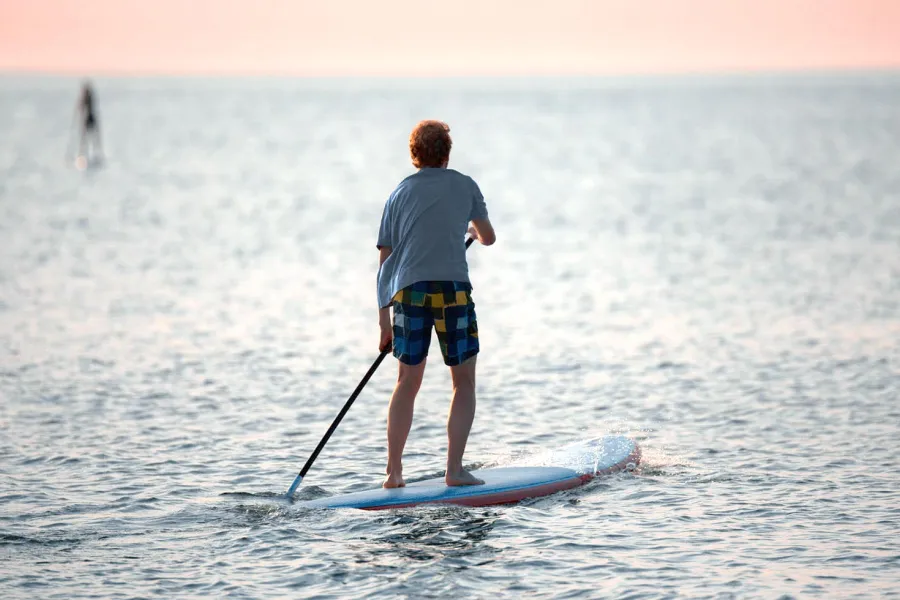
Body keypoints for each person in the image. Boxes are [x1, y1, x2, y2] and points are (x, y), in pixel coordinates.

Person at [376, 120, 496, 489]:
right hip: (452, 291)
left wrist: (383, 322)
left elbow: (385, 261)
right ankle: (454, 471)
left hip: (408, 292)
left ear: (414, 155)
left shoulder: (398, 194)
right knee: (463, 382)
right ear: (447, 153)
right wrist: (472, 231)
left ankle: (393, 473)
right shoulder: (465, 185)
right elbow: (488, 237)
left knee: (406, 381)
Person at [75, 80, 103, 162]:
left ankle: (89, 154)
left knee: (89, 138)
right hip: (89, 119)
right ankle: (85, 154)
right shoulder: (89, 97)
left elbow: (81, 108)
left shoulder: (87, 97)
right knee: (87, 139)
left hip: (89, 119)